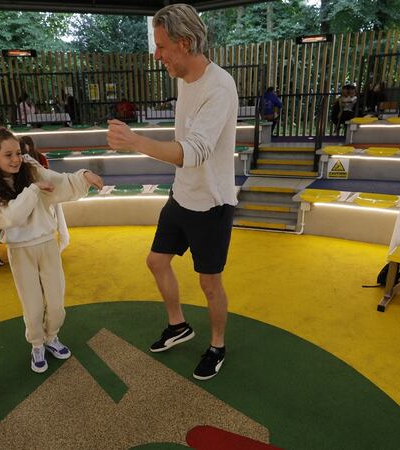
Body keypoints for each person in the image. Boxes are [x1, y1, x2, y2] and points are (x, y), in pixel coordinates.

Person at [107, 3, 237, 381]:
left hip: (211, 203)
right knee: (156, 261)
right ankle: (179, 326)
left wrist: (134, 141)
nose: (156, 54)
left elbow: (194, 153)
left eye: (162, 46)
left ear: (184, 43)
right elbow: (187, 150)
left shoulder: (220, 87)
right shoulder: (183, 78)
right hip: (182, 195)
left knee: (209, 282)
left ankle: (217, 346)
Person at [0, 128, 103, 373]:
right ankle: (37, 344)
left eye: (17, 152)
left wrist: (83, 176)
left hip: (47, 244)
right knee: (33, 305)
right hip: (20, 250)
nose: (16, 159)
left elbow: (58, 182)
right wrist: (34, 189)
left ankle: (52, 337)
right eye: (8, 155)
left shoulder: (31, 168)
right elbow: (10, 217)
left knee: (56, 302)